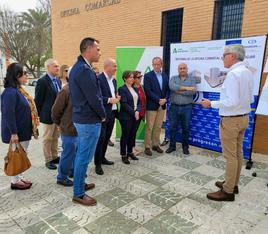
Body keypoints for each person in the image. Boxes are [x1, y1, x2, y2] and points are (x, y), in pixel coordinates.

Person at [202, 44, 254, 201]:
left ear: (232, 56)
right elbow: (250, 99)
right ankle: (233, 184)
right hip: (244, 117)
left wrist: (211, 103)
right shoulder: (247, 72)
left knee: (230, 156)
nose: (222, 58)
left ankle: (228, 191)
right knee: (237, 154)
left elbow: (231, 102)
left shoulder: (233, 74)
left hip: (232, 121)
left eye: (224, 55)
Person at [69, 37, 105, 206]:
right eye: (97, 49)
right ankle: (79, 193)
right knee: (84, 157)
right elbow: (94, 98)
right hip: (88, 121)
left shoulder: (80, 67)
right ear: (89, 49)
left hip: (83, 119)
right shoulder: (83, 69)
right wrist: (103, 114)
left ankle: (80, 184)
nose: (100, 52)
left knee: (82, 156)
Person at [1, 63, 39, 190]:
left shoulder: (18, 90)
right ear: (17, 75)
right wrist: (13, 133)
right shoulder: (10, 92)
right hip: (17, 132)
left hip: (23, 131)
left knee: (22, 154)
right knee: (16, 155)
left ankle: (20, 177)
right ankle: (15, 181)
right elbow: (8, 114)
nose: (27, 75)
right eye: (25, 73)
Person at [94, 58, 120, 175]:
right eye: (114, 66)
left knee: (107, 137)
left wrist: (116, 97)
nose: (116, 68)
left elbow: (112, 95)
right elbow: (96, 97)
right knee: (101, 139)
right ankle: (97, 164)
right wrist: (110, 100)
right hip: (102, 114)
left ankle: (103, 158)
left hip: (112, 113)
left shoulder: (114, 81)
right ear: (107, 66)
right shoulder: (98, 79)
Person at [35, 59, 61, 170]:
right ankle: (48, 159)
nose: (58, 68)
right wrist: (39, 115)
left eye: (58, 66)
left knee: (55, 137)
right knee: (47, 138)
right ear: (48, 67)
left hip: (57, 116)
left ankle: (55, 157)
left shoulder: (58, 81)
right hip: (47, 116)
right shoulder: (42, 81)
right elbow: (38, 100)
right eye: (55, 66)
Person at [166, 63, 196, 155]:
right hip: (174, 107)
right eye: (180, 68)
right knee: (172, 128)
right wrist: (187, 88)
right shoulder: (173, 78)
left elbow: (192, 92)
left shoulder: (192, 79)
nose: (182, 70)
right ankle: (172, 146)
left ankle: (185, 147)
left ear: (187, 69)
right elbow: (172, 87)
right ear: (178, 70)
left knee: (186, 128)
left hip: (187, 107)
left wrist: (178, 91)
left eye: (184, 68)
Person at [143, 57, 169, 156]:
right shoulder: (148, 76)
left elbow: (168, 90)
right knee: (149, 126)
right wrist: (158, 100)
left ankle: (155, 144)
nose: (157, 66)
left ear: (161, 65)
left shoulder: (165, 75)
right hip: (152, 105)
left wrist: (165, 99)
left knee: (158, 127)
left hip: (162, 106)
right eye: (155, 64)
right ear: (152, 65)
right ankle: (147, 146)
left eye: (158, 64)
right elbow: (148, 91)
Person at [118, 71, 141, 164]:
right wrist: (134, 112)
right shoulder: (122, 89)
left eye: (133, 77)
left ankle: (130, 152)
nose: (132, 79)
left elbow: (139, 102)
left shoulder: (134, 88)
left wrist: (138, 111)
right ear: (125, 78)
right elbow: (124, 104)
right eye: (130, 77)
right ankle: (124, 155)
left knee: (132, 135)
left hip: (135, 115)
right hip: (126, 116)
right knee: (125, 136)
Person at [132, 70, 146, 156]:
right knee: (132, 131)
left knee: (135, 130)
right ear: (133, 78)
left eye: (141, 77)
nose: (140, 78)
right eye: (138, 77)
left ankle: (132, 146)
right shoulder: (131, 88)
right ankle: (131, 149)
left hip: (141, 113)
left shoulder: (142, 87)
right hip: (134, 114)